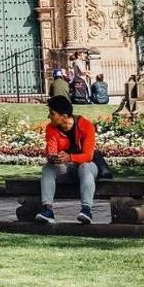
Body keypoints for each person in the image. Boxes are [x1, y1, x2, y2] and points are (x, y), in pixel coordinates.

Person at [36, 94, 99, 225]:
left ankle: (86, 210)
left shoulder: (86, 125)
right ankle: (47, 210)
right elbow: (51, 148)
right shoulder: (51, 128)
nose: (49, 116)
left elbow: (88, 156)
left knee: (85, 167)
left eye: (52, 113)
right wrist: (52, 157)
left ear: (64, 116)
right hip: (67, 168)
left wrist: (70, 157)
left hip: (87, 167)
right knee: (48, 168)